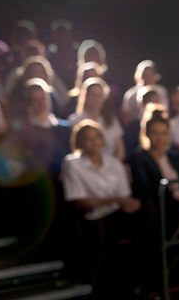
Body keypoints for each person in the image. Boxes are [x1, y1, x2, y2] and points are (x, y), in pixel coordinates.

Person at [60, 119, 141, 297]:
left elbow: (124, 196)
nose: (94, 142)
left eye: (97, 137)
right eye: (88, 139)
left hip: (116, 212)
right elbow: (81, 200)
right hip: (89, 217)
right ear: (79, 142)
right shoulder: (72, 163)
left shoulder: (113, 163)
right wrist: (116, 200)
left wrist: (128, 203)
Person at [129, 104, 179, 295]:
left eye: (164, 133)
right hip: (159, 208)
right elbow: (146, 189)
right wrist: (178, 196)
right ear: (147, 134)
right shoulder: (140, 157)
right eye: (156, 133)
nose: (160, 138)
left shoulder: (175, 157)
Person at [68, 77, 125, 160]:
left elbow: (120, 150)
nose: (97, 99)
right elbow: (74, 148)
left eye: (100, 95)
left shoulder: (112, 120)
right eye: (93, 95)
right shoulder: (74, 120)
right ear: (86, 96)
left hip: (110, 165)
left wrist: (113, 166)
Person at [121, 59, 169, 125]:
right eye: (144, 74)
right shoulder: (130, 94)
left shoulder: (162, 91)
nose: (148, 77)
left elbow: (166, 112)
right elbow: (127, 119)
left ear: (155, 76)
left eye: (150, 74)